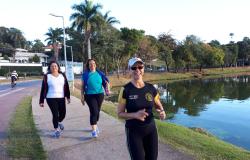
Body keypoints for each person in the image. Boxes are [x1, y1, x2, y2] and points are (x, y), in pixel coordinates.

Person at [117, 57, 166, 160]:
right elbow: (120, 114)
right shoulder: (126, 90)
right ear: (129, 69)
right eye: (134, 68)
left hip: (151, 130)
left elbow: (158, 104)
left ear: (143, 68)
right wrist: (135, 115)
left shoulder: (151, 88)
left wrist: (161, 111)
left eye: (140, 67)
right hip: (134, 132)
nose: (137, 70)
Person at [39, 61, 70, 138]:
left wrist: (68, 97)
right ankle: (56, 130)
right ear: (49, 68)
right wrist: (41, 100)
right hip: (51, 98)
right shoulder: (47, 76)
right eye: (52, 66)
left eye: (55, 66)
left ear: (58, 67)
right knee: (55, 114)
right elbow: (43, 89)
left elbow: (67, 87)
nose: (54, 67)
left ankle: (59, 122)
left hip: (61, 97)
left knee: (63, 114)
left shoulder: (62, 75)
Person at [81, 59, 110, 138]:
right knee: (94, 111)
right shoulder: (86, 74)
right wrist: (82, 96)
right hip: (89, 95)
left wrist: (107, 90)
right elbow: (83, 86)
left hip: (100, 95)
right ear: (88, 66)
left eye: (93, 63)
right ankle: (94, 130)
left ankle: (95, 124)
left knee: (97, 112)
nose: (92, 65)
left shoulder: (100, 73)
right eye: (90, 64)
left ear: (95, 65)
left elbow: (105, 83)